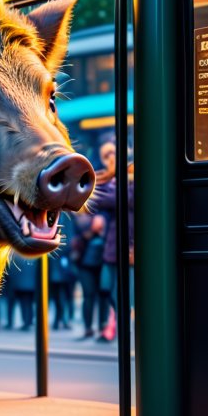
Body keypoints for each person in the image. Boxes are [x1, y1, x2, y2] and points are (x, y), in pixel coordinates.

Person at [92, 142, 134, 342]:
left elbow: (119, 198)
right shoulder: (111, 180)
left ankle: (116, 325)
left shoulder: (131, 177)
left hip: (130, 245)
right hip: (112, 246)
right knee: (106, 286)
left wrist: (110, 181)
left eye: (112, 153)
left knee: (124, 291)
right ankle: (115, 322)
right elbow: (97, 201)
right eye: (106, 154)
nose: (109, 157)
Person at [71, 212, 108, 339]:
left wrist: (102, 227)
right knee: (88, 296)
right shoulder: (81, 217)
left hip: (103, 261)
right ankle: (88, 328)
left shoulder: (108, 214)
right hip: (85, 263)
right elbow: (77, 234)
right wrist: (91, 228)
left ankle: (103, 327)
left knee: (103, 295)